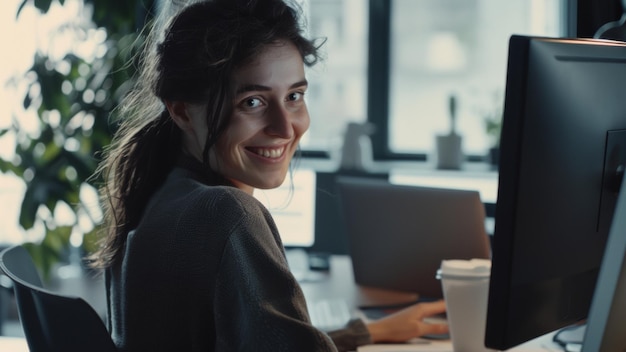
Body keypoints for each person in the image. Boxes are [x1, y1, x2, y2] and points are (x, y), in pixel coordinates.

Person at [90, 0, 449, 351]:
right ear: (183, 112)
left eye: (294, 96)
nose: (284, 127)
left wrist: (362, 335)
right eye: (252, 102)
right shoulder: (226, 212)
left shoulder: (160, 195)